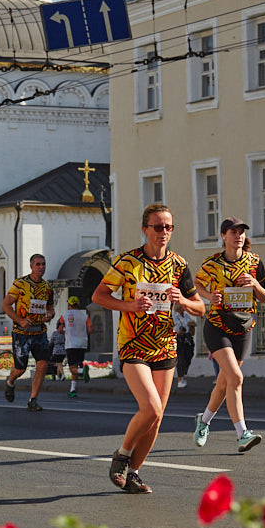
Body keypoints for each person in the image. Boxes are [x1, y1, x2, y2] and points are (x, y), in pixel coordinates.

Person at [92, 203, 204, 494]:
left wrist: (183, 301)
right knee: (150, 407)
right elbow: (100, 295)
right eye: (157, 226)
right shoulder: (128, 262)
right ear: (145, 229)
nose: (163, 232)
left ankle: (134, 473)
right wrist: (129, 305)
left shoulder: (178, 265)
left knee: (157, 417)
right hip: (133, 344)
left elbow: (200, 308)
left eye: (168, 227)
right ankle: (122, 455)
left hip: (165, 346)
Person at [192, 217, 265, 454]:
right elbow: (197, 284)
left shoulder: (255, 262)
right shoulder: (212, 263)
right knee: (236, 377)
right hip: (217, 326)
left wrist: (255, 283)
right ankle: (242, 433)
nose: (238, 236)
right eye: (233, 232)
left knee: (225, 383)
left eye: (241, 232)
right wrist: (209, 296)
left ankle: (203, 422)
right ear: (223, 236)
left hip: (243, 328)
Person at [2, 253, 55, 412]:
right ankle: (10, 381)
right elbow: (5, 305)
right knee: (20, 369)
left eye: (43, 264)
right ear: (31, 266)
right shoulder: (20, 284)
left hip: (40, 332)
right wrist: (20, 320)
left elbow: (51, 308)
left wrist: (50, 315)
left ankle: (33, 400)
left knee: (42, 364)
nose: (41, 267)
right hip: (22, 333)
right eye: (38, 264)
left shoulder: (47, 287)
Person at [60, 296, 91, 396]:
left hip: (70, 344)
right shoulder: (85, 315)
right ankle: (72, 389)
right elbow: (90, 330)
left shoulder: (64, 315)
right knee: (76, 365)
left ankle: (82, 371)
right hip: (82, 343)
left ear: (69, 305)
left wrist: (66, 332)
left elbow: (59, 329)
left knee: (72, 368)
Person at [172, 302, 196, 389]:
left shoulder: (186, 316)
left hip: (187, 338)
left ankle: (184, 373)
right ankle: (180, 379)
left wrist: (191, 327)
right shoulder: (174, 316)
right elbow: (172, 328)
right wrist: (177, 332)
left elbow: (191, 328)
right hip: (178, 338)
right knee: (180, 358)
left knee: (189, 356)